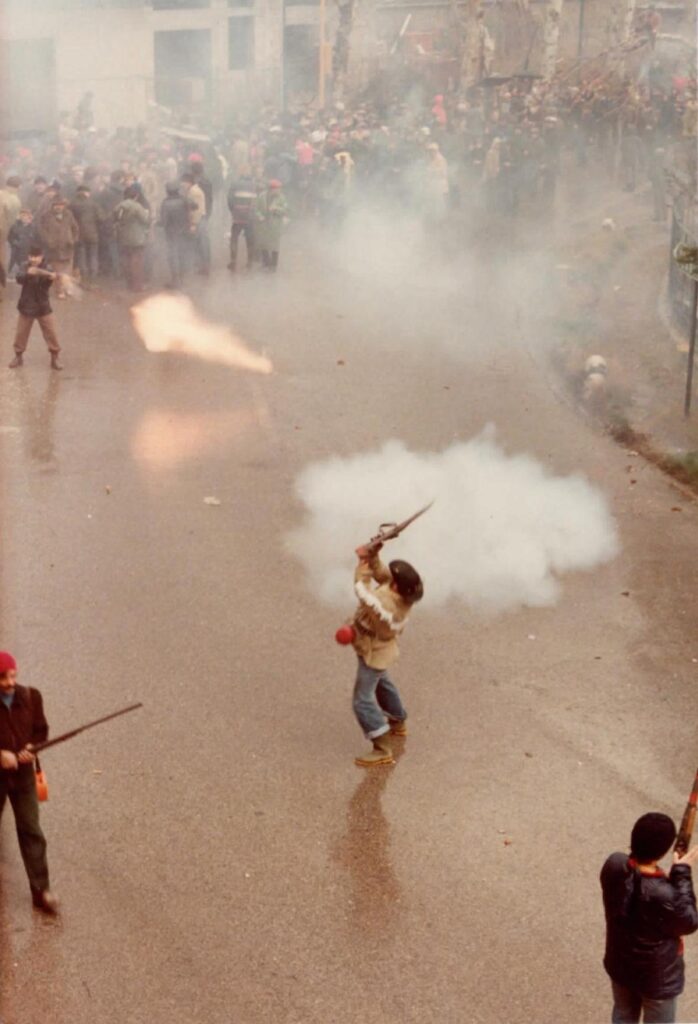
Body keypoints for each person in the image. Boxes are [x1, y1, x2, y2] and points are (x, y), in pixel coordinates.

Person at [600, 812, 698, 1024]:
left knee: (623, 1014)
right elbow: (689, 921)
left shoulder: (614, 865)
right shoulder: (663, 893)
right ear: (664, 850)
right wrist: (682, 873)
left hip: (620, 964)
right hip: (657, 979)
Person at [349, 544, 423, 767]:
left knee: (361, 700)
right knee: (382, 682)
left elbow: (363, 592)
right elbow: (383, 574)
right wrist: (373, 555)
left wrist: (361, 569)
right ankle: (398, 721)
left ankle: (381, 747)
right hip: (377, 648)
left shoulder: (387, 604)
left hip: (374, 651)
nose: (390, 580)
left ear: (398, 588)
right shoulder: (399, 591)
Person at [0, 651, 58, 914]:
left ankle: (41, 891)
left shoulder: (31, 697)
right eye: (3, 677)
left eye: (12, 675)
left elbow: (40, 731)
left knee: (31, 830)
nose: (10, 682)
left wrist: (32, 749)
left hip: (23, 775)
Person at [9, 245, 63, 370]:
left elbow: (47, 284)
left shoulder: (47, 268)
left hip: (42, 306)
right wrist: (28, 274)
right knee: (21, 334)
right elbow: (19, 278)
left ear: (41, 257)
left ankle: (55, 358)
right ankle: (18, 356)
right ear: (28, 257)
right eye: (31, 257)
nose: (34, 259)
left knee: (51, 333)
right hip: (26, 305)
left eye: (36, 257)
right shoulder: (24, 266)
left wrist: (51, 277)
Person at [36, 196, 78, 299]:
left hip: (68, 247)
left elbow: (75, 228)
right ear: (52, 206)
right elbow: (41, 230)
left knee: (67, 271)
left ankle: (67, 289)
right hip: (53, 248)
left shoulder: (69, 214)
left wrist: (73, 240)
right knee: (57, 271)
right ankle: (59, 291)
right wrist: (48, 240)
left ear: (64, 206)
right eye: (56, 205)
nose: (58, 207)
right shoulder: (46, 216)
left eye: (61, 205)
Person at [114, 184, 150, 292]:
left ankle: (129, 284)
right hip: (137, 238)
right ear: (136, 196)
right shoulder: (137, 206)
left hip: (123, 237)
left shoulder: (119, 206)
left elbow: (115, 219)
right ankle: (137, 286)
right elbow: (145, 220)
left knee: (126, 261)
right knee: (136, 263)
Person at [159, 182, 191, 289]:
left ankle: (175, 280)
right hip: (184, 230)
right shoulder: (183, 200)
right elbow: (195, 205)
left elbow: (163, 221)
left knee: (172, 256)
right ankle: (182, 278)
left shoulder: (165, 203)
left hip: (171, 233)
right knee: (182, 253)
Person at [70, 184, 101, 285]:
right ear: (88, 193)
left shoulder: (73, 204)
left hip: (79, 234)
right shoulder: (94, 204)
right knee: (93, 255)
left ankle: (84, 277)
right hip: (93, 233)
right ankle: (93, 277)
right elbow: (101, 218)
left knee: (81, 256)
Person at [227, 169, 257, 272]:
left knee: (234, 238)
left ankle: (233, 260)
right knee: (250, 239)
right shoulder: (253, 185)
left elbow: (230, 200)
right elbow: (255, 202)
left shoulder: (234, 184)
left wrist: (233, 211)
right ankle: (249, 262)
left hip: (238, 215)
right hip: (249, 216)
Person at [256, 179, 288, 271]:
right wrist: (260, 216)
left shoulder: (281, 198)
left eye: (279, 189)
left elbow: (285, 210)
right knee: (263, 243)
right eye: (277, 189)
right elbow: (256, 209)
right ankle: (266, 263)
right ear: (271, 189)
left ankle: (274, 265)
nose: (279, 191)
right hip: (263, 224)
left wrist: (276, 209)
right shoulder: (261, 196)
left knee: (275, 245)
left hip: (275, 224)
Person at [8, 209, 36, 278]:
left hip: (28, 251)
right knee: (14, 266)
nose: (24, 217)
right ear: (20, 216)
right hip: (17, 250)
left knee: (27, 267)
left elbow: (37, 239)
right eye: (22, 215)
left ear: (30, 217)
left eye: (26, 215)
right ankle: (11, 276)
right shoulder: (15, 226)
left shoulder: (33, 227)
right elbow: (10, 237)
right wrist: (14, 242)